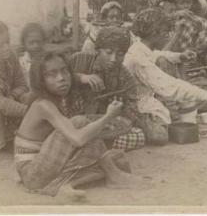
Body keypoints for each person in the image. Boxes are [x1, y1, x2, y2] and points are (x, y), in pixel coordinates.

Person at [15, 51, 141, 200]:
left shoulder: (58, 99)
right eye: (52, 74)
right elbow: (77, 139)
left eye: (64, 71)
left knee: (118, 159)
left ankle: (61, 185)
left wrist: (98, 126)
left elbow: (77, 139)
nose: (61, 78)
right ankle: (114, 177)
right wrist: (108, 117)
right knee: (79, 122)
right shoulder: (42, 104)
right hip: (33, 174)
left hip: (47, 165)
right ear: (41, 81)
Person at [124, 8, 207, 129]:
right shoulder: (138, 58)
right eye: (166, 32)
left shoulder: (140, 48)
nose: (168, 36)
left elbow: (157, 55)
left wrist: (180, 57)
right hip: (137, 105)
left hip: (146, 99)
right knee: (163, 125)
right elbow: (171, 86)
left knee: (183, 104)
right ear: (154, 33)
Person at [70, 26, 148, 150]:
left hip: (103, 127)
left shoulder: (126, 79)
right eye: (109, 52)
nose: (114, 59)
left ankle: (93, 145)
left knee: (139, 136)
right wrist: (80, 77)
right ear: (98, 50)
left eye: (120, 54)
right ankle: (94, 146)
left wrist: (120, 110)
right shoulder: (79, 60)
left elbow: (132, 114)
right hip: (72, 122)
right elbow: (54, 79)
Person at [0, 19, 34, 159]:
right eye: (0, 45)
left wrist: (13, 95)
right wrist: (26, 111)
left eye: (7, 41)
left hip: (8, 99)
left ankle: (18, 134)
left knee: (30, 96)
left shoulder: (10, 57)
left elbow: (22, 84)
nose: (7, 47)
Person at [19, 22, 47, 88]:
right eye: (31, 43)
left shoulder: (48, 60)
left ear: (43, 41)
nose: (36, 46)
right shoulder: (21, 63)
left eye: (39, 42)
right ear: (24, 44)